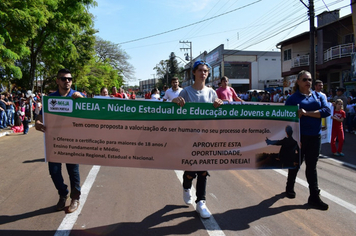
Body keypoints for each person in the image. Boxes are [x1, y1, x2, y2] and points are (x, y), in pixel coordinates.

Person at [172, 60, 223, 219]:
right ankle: (187, 186)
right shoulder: (186, 92)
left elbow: (216, 116)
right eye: (200, 70)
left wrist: (219, 105)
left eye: (205, 71)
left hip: (206, 138)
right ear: (194, 73)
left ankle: (201, 201)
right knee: (190, 170)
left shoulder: (211, 92)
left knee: (203, 170)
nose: (203, 73)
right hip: (189, 138)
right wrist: (175, 102)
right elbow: (176, 112)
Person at [35, 68, 84, 213]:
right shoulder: (51, 99)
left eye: (69, 79)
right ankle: (63, 194)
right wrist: (38, 123)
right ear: (57, 81)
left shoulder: (78, 96)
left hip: (73, 142)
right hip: (55, 142)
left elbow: (89, 115)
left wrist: (81, 100)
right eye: (64, 79)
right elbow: (41, 117)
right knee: (54, 172)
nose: (67, 81)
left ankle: (75, 198)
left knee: (73, 171)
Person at [284, 70, 331, 210]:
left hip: (315, 137)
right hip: (300, 137)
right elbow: (287, 118)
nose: (308, 82)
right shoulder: (292, 99)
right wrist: (294, 137)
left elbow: (327, 111)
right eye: (304, 79)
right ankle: (289, 186)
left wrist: (306, 113)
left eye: (309, 80)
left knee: (312, 167)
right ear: (298, 82)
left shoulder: (318, 96)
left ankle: (314, 197)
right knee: (296, 163)